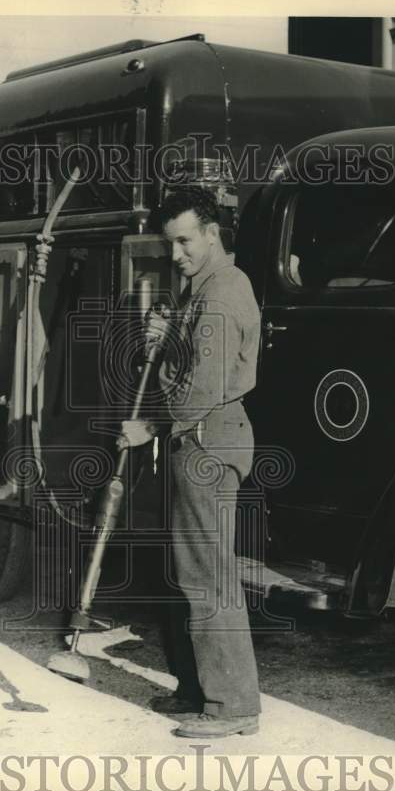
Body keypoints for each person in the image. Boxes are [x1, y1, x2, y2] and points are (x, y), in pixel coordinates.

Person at [119, 187, 262, 738]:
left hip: (205, 440)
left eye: (184, 241)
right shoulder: (204, 288)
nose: (175, 253)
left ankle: (231, 708)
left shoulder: (222, 292)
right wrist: (171, 332)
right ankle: (201, 690)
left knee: (207, 575)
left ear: (211, 233)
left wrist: (149, 425)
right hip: (201, 439)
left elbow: (200, 389)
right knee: (192, 571)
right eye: (170, 243)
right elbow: (195, 363)